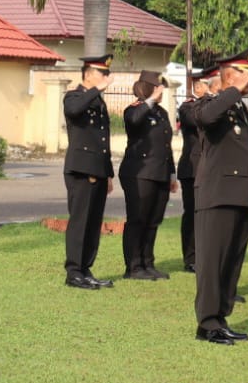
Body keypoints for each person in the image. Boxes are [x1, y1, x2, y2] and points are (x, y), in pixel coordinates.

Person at [191, 50, 248, 344]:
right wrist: (232, 89)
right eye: (245, 73)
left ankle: (221, 318)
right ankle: (207, 323)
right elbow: (206, 116)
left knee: (231, 261)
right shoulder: (209, 104)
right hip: (217, 195)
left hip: (240, 196)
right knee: (213, 262)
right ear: (230, 75)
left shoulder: (239, 109)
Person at [62, 53, 117, 290]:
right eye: (101, 73)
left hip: (97, 169)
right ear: (87, 74)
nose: (105, 77)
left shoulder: (97, 101)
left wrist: (108, 173)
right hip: (81, 169)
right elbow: (74, 110)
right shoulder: (74, 96)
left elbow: (102, 140)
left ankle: (86, 269)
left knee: (93, 223)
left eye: (106, 74)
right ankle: (74, 271)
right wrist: (96, 90)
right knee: (80, 222)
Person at [119, 70, 176, 280]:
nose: (161, 91)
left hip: (160, 173)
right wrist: (150, 100)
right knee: (138, 219)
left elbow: (166, 145)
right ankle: (133, 267)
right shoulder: (134, 109)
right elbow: (134, 121)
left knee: (153, 220)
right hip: (139, 173)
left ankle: (147, 262)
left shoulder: (161, 113)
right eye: (158, 87)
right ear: (149, 88)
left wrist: (172, 174)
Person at [176, 66, 214, 274]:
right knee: (192, 214)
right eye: (205, 86)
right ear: (197, 87)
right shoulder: (188, 107)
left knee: (208, 215)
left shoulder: (212, 106)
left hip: (211, 168)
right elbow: (195, 120)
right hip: (192, 168)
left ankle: (206, 255)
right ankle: (190, 257)